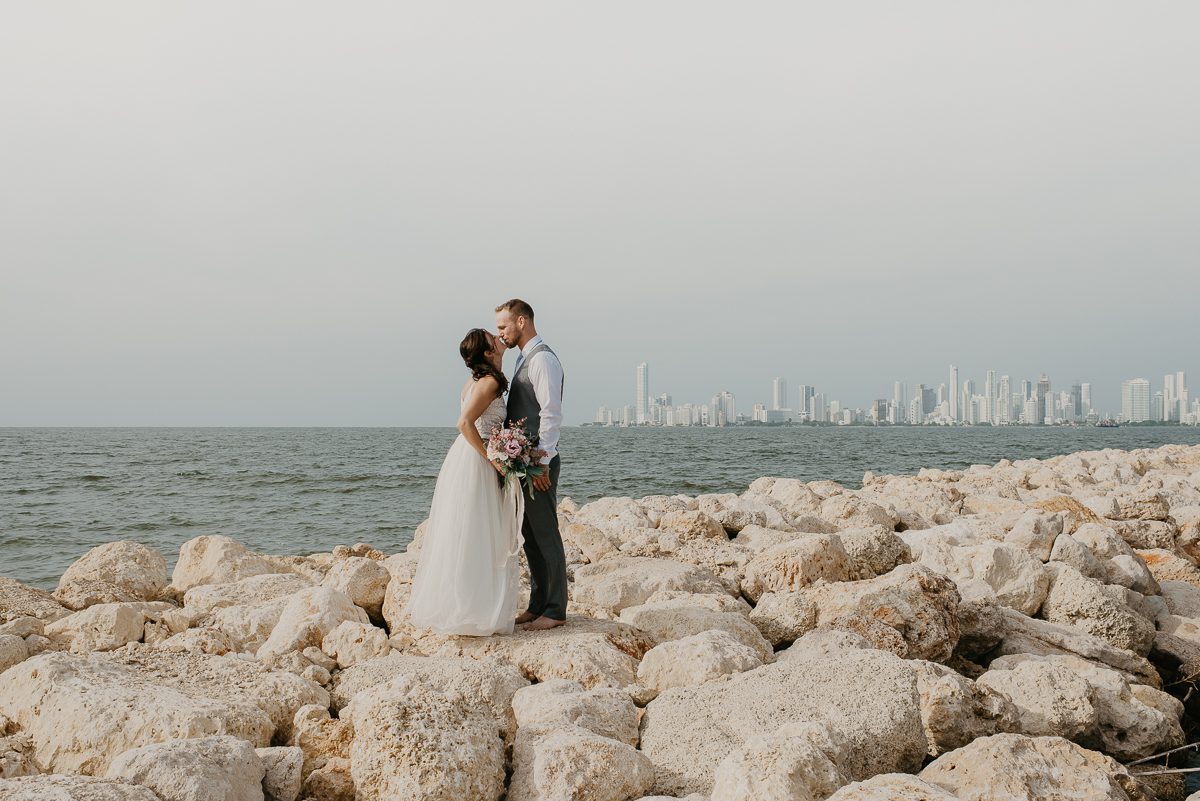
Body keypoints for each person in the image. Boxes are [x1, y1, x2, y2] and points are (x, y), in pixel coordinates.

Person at [404, 328, 524, 636]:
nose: (499, 339)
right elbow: (464, 423)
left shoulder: (473, 381)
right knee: (481, 530)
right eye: (492, 338)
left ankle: (463, 605)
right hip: (477, 457)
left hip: (463, 457)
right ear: (487, 352)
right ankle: (476, 609)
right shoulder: (492, 381)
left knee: (466, 530)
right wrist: (493, 458)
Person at [495, 298, 567, 631]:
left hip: (538, 463)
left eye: (503, 326)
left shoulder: (543, 360)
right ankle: (538, 603)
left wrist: (541, 460)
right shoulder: (524, 358)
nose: (500, 334)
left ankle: (555, 609)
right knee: (530, 535)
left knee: (545, 534)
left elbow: (550, 414)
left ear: (522, 321)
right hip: (525, 462)